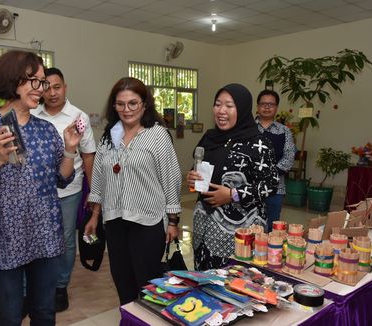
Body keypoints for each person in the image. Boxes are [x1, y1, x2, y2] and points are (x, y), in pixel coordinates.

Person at [0, 50, 83, 325]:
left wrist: (70, 150)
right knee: (9, 316)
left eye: (43, 82)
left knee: (45, 314)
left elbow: (62, 179)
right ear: (13, 81)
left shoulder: (46, 130)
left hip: (43, 236)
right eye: (33, 81)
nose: (41, 89)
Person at [84, 77, 181, 305]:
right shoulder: (109, 137)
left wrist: (174, 221)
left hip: (147, 222)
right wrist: (95, 215)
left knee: (148, 284)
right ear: (114, 106)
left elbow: (171, 177)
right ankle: (129, 319)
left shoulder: (157, 135)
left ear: (144, 104)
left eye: (133, 103)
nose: (126, 110)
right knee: (122, 280)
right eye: (120, 104)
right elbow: (99, 177)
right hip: (115, 220)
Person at [186, 83, 279, 271]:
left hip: (239, 230)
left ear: (242, 109)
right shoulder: (210, 137)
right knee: (204, 281)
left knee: (233, 286)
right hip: (204, 225)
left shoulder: (258, 143)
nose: (221, 111)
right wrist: (192, 179)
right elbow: (199, 169)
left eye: (229, 106)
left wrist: (233, 194)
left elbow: (271, 184)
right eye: (218, 104)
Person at [32, 67, 96, 312]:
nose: (52, 92)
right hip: (38, 192)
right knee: (35, 238)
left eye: (56, 87)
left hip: (70, 191)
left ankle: (60, 286)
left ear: (65, 87)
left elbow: (88, 154)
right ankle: (34, 288)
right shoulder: (33, 113)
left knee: (66, 240)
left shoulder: (77, 116)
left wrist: (93, 190)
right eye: (46, 87)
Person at [255, 90, 296, 232]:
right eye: (263, 104)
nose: (267, 107)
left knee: (272, 225)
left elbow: (289, 156)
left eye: (271, 104)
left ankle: (270, 252)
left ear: (276, 108)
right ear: (257, 106)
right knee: (250, 224)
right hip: (249, 185)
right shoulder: (247, 129)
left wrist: (271, 174)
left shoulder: (284, 131)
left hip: (275, 186)